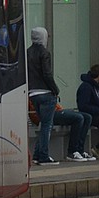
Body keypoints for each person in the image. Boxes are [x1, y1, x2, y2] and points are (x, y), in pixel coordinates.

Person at [26, 27, 60, 165]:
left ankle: (37, 155)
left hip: (32, 93)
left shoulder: (27, 52)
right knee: (47, 125)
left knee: (42, 124)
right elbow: (47, 74)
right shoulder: (44, 53)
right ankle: (44, 156)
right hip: (45, 92)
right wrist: (55, 89)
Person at [76, 64, 99, 158]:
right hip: (89, 116)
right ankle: (97, 148)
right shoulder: (86, 87)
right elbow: (83, 106)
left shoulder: (95, 87)